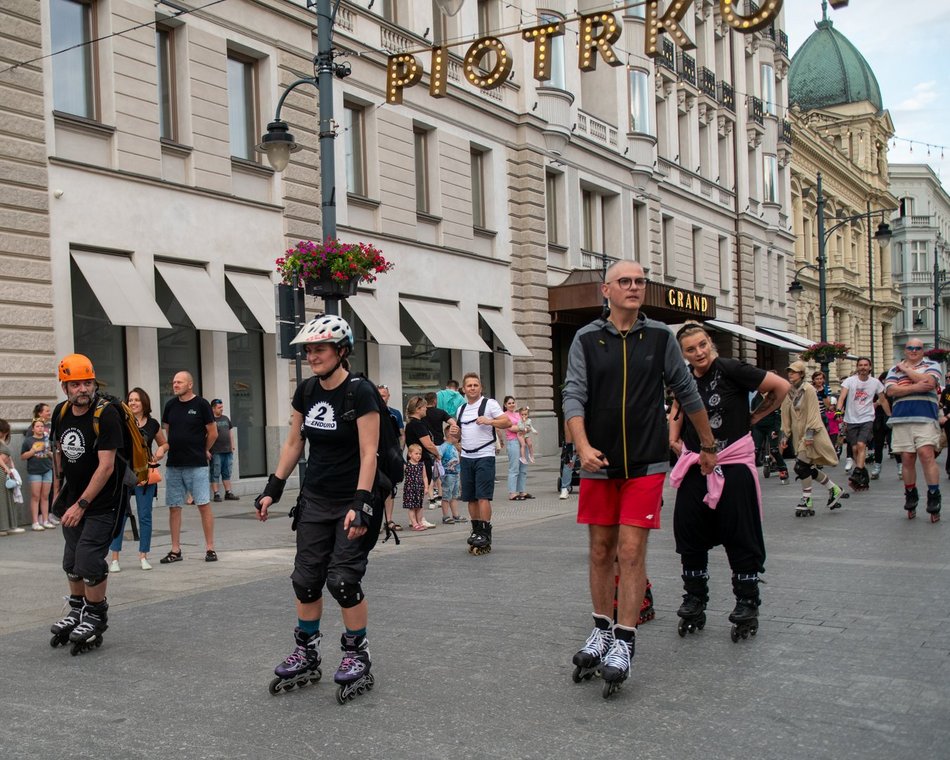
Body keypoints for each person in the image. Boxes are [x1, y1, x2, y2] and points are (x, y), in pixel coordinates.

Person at [562, 260, 717, 696]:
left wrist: (707, 445)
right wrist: (581, 444)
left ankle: (625, 639)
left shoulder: (661, 337)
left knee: (630, 551)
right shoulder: (586, 338)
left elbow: (686, 391)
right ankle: (601, 630)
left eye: (639, 281)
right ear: (605, 290)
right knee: (599, 551)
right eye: (624, 281)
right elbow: (573, 393)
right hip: (599, 462)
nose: (634, 287)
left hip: (646, 461)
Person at [254, 314, 382, 701]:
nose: (312, 356)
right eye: (308, 350)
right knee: (305, 580)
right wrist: (272, 488)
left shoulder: (360, 392)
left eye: (319, 349)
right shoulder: (307, 391)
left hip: (352, 500)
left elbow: (369, 451)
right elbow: (295, 443)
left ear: (342, 351)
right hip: (314, 500)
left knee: (342, 580)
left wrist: (360, 504)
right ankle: (307, 651)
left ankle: (356, 653)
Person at [668, 323, 789, 641]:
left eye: (703, 345)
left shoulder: (731, 368)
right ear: (684, 354)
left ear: (711, 344)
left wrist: (758, 416)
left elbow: (780, 387)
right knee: (689, 531)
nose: (699, 352)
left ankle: (747, 603)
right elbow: (676, 417)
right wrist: (677, 443)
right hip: (696, 466)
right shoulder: (684, 380)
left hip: (733, 464)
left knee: (740, 534)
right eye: (691, 349)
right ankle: (695, 599)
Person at [48, 354, 126, 653]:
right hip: (73, 499)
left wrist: (81, 504)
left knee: (89, 559)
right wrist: (60, 492)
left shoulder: (106, 415)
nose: (83, 388)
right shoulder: (60, 412)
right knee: (71, 562)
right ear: (65, 387)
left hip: (103, 501)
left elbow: (106, 467)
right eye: (76, 383)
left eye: (88, 382)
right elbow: (61, 453)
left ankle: (95, 616)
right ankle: (77, 609)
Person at [160, 371, 217, 563]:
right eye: (174, 382)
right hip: (174, 465)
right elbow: (168, 431)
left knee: (203, 504)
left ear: (190, 384)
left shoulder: (201, 404)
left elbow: (213, 433)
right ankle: (175, 550)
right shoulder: (170, 405)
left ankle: (210, 548)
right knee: (174, 507)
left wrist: (203, 450)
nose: (175, 385)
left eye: (179, 382)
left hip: (197, 465)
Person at [108, 388, 168, 572]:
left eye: (137, 400)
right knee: (120, 515)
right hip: (124, 474)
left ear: (144, 403)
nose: (133, 403)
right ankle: (115, 559)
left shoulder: (152, 424)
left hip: (145, 475)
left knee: (145, 516)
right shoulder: (122, 422)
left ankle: (144, 556)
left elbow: (164, 443)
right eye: (130, 400)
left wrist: (160, 452)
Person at [885, 339, 943, 521]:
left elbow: (930, 383)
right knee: (907, 458)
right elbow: (891, 391)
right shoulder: (893, 370)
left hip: (925, 417)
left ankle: (934, 496)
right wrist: (917, 386)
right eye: (910, 348)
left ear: (922, 351)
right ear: (905, 350)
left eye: (918, 348)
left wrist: (907, 372)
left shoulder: (932, 364)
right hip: (901, 418)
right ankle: (911, 493)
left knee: (926, 454)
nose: (913, 350)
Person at [780, 361, 845, 517]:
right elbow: (785, 414)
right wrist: (784, 435)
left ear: (802, 374)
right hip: (798, 434)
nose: (791, 374)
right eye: (789, 371)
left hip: (812, 434)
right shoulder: (788, 391)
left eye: (794, 372)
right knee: (807, 467)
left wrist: (809, 435)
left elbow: (814, 414)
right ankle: (834, 489)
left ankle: (807, 500)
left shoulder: (809, 390)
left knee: (800, 467)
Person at [456, 373, 510, 555]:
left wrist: (490, 421)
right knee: (470, 497)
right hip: (466, 457)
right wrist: (455, 433)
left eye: (475, 385)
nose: (472, 388)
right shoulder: (461, 409)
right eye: (469, 385)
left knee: (483, 496)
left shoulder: (490, 404)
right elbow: (458, 436)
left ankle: (485, 531)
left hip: (484, 456)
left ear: (481, 388)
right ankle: (476, 529)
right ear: (463, 389)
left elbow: (507, 422)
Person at [836, 358, 885, 492]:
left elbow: (883, 399)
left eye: (865, 365)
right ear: (857, 367)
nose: (863, 367)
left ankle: (857, 473)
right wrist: (838, 411)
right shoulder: (850, 381)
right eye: (860, 365)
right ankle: (863, 475)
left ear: (870, 367)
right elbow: (842, 397)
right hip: (851, 419)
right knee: (855, 450)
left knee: (861, 445)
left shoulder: (875, 383)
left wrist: (890, 416)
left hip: (867, 418)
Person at [404, 397, 441, 529]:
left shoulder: (411, 424)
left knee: (416, 491)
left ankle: (413, 519)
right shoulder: (418, 424)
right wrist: (437, 453)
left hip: (414, 460)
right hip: (422, 460)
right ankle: (420, 519)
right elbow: (428, 444)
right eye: (424, 407)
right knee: (420, 490)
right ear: (418, 409)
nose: (426, 409)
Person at [376, 385, 404, 533]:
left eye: (384, 395)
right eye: (379, 395)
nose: (382, 398)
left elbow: (401, 434)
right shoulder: (371, 412)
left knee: (390, 488)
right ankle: (375, 521)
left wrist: (399, 453)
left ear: (388, 396)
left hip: (391, 458)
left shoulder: (395, 414)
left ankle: (389, 520)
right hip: (375, 457)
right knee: (374, 489)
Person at [20, 418, 54, 530]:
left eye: (41, 426)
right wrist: (33, 451)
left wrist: (48, 451)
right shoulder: (28, 441)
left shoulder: (47, 440)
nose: (40, 428)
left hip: (47, 469)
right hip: (34, 471)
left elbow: (54, 455)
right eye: (37, 426)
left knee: (45, 496)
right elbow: (22, 456)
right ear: (33, 428)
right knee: (35, 496)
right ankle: (35, 522)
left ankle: (45, 520)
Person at [424, 392, 453, 505]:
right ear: (435, 401)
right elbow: (453, 423)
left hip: (427, 444)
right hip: (440, 445)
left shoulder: (422, 413)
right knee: (440, 472)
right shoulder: (440, 412)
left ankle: (431, 498)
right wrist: (450, 435)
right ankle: (441, 496)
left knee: (430, 472)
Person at [209, 399, 239, 503]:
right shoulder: (210, 420)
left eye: (222, 407)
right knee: (215, 472)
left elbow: (230, 433)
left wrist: (232, 445)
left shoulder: (226, 418)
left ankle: (228, 492)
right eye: (219, 407)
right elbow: (206, 435)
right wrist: (207, 450)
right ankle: (216, 494)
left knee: (227, 472)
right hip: (216, 451)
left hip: (227, 450)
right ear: (213, 408)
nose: (221, 409)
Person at [0, 419, 26, 536]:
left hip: (4, 472)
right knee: (3, 500)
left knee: (7, 499)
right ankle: (4, 526)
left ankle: (7, 526)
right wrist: (7, 469)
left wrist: (11, 468)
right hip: (2, 472)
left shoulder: (2, 441)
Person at [501, 396, 529, 500]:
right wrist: (523, 428)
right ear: (505, 405)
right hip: (513, 442)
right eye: (509, 403)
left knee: (523, 467)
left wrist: (524, 428)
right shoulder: (504, 416)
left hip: (523, 441)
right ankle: (512, 492)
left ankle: (522, 491)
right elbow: (511, 428)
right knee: (514, 468)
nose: (512, 404)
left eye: (513, 402)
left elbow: (527, 425)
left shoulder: (518, 414)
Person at [438, 425, 465, 523]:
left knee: (454, 496)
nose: (458, 437)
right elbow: (438, 457)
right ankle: (445, 516)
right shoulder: (444, 446)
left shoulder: (454, 447)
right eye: (457, 435)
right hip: (448, 474)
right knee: (446, 496)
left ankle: (455, 514)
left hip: (456, 474)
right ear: (450, 435)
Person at [402, 444, 430, 531]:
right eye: (416, 453)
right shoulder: (406, 465)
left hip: (419, 488)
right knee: (412, 507)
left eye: (420, 454)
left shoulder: (421, 465)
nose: (418, 456)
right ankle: (414, 523)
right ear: (410, 454)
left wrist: (426, 487)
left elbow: (425, 477)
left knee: (419, 506)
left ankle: (419, 522)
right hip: (410, 489)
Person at [870, 372, 893, 480]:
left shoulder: (893, 392)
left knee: (894, 444)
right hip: (878, 420)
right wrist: (878, 402)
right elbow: (871, 407)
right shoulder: (875, 393)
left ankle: (900, 466)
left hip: (892, 419)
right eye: (884, 379)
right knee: (878, 444)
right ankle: (877, 466)